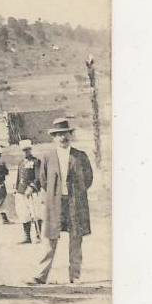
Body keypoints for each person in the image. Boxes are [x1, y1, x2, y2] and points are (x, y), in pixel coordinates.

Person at [29, 118, 94, 285]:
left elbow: (88, 179)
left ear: (70, 135)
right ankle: (40, 276)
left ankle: (75, 276)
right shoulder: (47, 157)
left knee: (76, 239)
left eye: (65, 134)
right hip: (55, 203)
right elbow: (43, 180)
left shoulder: (80, 156)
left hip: (75, 203)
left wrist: (76, 193)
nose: (63, 138)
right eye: (59, 135)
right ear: (54, 137)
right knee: (50, 239)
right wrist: (55, 194)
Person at [13, 139, 42, 243]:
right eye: (24, 150)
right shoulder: (21, 162)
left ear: (30, 149)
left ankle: (38, 235)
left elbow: (38, 177)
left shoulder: (36, 162)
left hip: (32, 192)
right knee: (24, 213)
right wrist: (16, 188)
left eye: (27, 150)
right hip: (21, 191)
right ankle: (27, 237)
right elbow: (18, 177)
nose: (26, 152)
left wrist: (32, 187)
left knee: (36, 213)